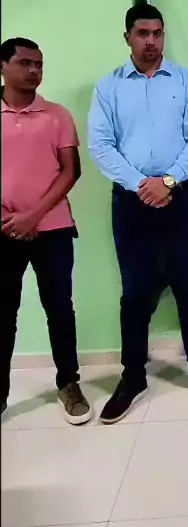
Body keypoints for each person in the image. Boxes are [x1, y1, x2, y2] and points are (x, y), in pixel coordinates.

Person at [88, 3, 188, 423]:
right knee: (134, 291)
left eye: (157, 33)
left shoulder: (186, 81)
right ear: (127, 37)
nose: (151, 41)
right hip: (131, 201)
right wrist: (141, 185)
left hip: (179, 196)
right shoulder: (109, 86)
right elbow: (100, 145)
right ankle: (133, 376)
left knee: (186, 285)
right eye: (142, 33)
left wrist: (167, 181)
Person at [1, 38, 91, 424]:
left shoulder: (57, 116)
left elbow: (71, 171)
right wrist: (12, 219)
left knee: (60, 310)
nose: (34, 70)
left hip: (53, 229)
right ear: (3, 66)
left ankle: (69, 384)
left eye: (38, 64)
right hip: (4, 231)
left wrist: (32, 216)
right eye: (25, 63)